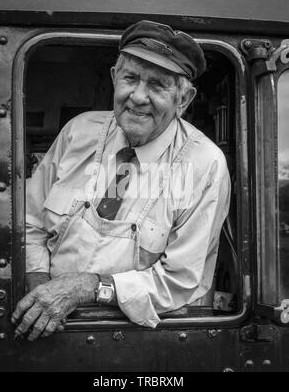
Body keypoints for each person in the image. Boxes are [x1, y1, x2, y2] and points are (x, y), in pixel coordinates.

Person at [12, 20, 231, 340]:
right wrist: (39, 286)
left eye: (157, 86)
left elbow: (181, 282)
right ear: (115, 78)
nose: (138, 97)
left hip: (134, 339)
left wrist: (89, 287)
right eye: (130, 78)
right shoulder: (78, 132)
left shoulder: (204, 165)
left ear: (183, 100)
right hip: (51, 323)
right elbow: (30, 220)